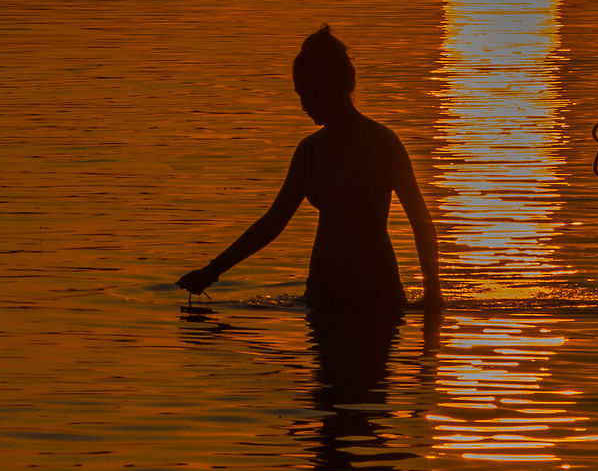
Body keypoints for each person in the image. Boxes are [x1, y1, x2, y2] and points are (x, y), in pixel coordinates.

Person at [177, 26, 442, 315]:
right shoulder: (310, 150)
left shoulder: (382, 144)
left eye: (310, 95)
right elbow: (273, 222)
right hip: (321, 291)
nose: (303, 106)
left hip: (376, 292)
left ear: (337, 88)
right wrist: (212, 271)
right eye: (299, 95)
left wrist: (433, 294)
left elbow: (421, 221)